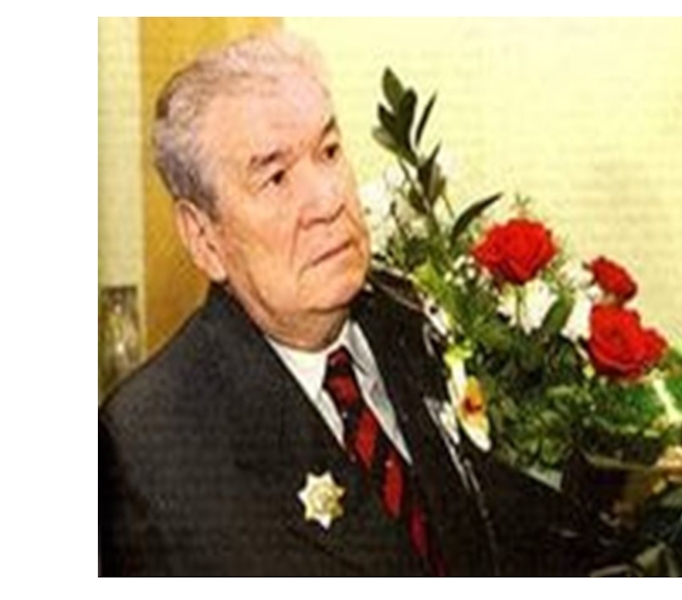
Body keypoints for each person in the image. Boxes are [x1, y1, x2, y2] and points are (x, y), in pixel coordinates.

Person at [99, 31, 599, 576]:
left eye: (330, 151)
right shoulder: (147, 448)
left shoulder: (414, 321)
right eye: (276, 177)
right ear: (204, 238)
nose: (329, 199)